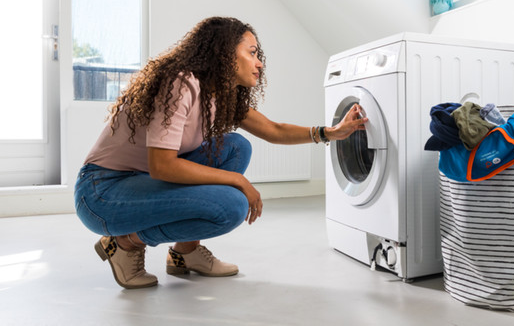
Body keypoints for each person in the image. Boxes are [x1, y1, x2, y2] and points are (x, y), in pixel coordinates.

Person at [74, 17, 367, 289]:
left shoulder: (217, 94)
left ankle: (184, 253)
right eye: (251, 52)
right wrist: (237, 181)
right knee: (231, 208)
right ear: (226, 54)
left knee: (236, 147)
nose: (259, 63)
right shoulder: (181, 82)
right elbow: (162, 166)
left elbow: (274, 130)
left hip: (142, 182)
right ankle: (125, 243)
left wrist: (330, 132)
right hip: (102, 192)